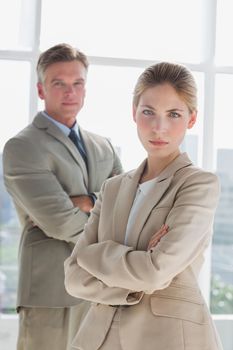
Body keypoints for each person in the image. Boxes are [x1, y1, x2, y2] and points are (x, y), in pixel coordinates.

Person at [64, 61, 223, 350]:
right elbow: (74, 276)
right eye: (148, 112)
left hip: (167, 338)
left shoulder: (198, 185)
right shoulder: (112, 188)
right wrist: (139, 269)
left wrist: (97, 254)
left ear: (191, 119)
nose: (158, 127)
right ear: (134, 113)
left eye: (173, 114)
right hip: (99, 338)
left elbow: (155, 271)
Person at [3, 43, 123, 350]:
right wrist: (103, 209)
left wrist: (86, 201)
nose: (70, 92)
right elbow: (58, 222)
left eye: (77, 83)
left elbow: (124, 204)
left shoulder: (104, 146)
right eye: (59, 83)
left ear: (86, 88)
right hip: (51, 290)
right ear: (41, 90)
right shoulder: (22, 147)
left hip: (101, 290)